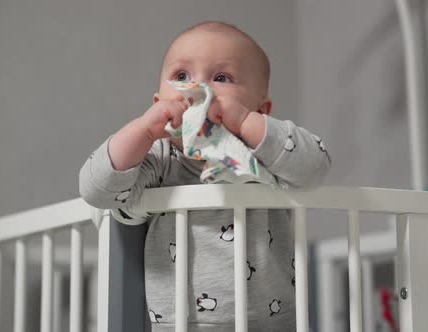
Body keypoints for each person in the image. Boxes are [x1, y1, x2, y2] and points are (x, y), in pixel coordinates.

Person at [80, 21, 331, 331]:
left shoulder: (263, 154)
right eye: (181, 76)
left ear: (261, 110)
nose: (198, 90)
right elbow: (97, 190)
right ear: (158, 103)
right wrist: (142, 130)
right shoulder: (161, 159)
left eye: (221, 78)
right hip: (179, 323)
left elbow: (316, 167)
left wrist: (245, 123)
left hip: (271, 319)